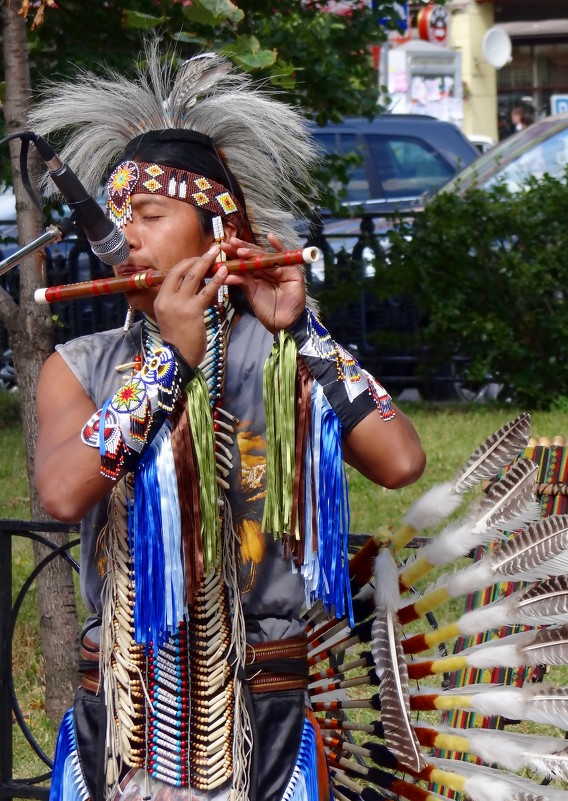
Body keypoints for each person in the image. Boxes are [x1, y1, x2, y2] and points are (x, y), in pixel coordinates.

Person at [30, 42, 425, 801]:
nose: (124, 237)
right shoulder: (79, 364)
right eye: (113, 219)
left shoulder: (285, 357)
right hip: (122, 718)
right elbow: (63, 492)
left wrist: (303, 329)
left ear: (219, 229)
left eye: (147, 214)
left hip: (265, 710)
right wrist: (166, 360)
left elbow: (400, 459)